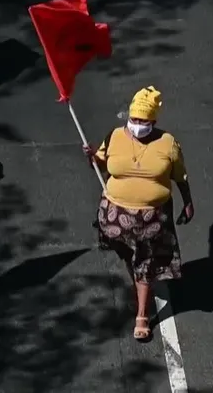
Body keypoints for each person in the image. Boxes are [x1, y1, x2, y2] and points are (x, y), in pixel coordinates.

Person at [83, 86, 195, 341]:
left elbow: (181, 177)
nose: (137, 125)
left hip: (152, 220)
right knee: (129, 258)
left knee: (144, 264)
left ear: (153, 121)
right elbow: (101, 166)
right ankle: (138, 278)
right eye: (133, 119)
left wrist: (188, 202)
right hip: (115, 217)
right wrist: (92, 158)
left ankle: (142, 315)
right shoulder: (114, 137)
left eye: (143, 121)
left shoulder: (168, 143)